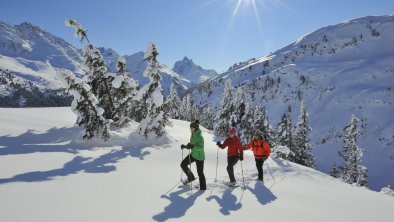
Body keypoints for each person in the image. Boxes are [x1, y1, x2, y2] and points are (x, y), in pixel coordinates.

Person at [180, 120, 207, 190]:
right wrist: (185, 146)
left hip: (200, 157)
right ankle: (191, 177)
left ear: (195, 128)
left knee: (200, 172)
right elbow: (192, 143)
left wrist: (193, 147)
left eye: (192, 128)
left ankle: (203, 188)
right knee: (183, 164)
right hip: (193, 154)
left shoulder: (200, 137)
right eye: (190, 128)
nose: (190, 129)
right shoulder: (193, 134)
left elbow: (201, 148)